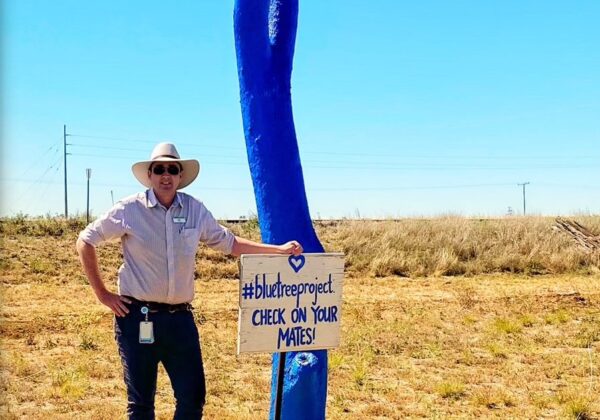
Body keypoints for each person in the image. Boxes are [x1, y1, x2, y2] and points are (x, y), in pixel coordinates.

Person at [76, 142, 302, 419]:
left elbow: (228, 243)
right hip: (137, 318)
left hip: (180, 320)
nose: (166, 175)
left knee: (193, 398)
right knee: (141, 405)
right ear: (150, 175)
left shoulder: (195, 209)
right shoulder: (129, 209)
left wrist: (277, 250)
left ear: (181, 176)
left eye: (173, 169)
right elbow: (86, 240)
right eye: (159, 169)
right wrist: (103, 294)